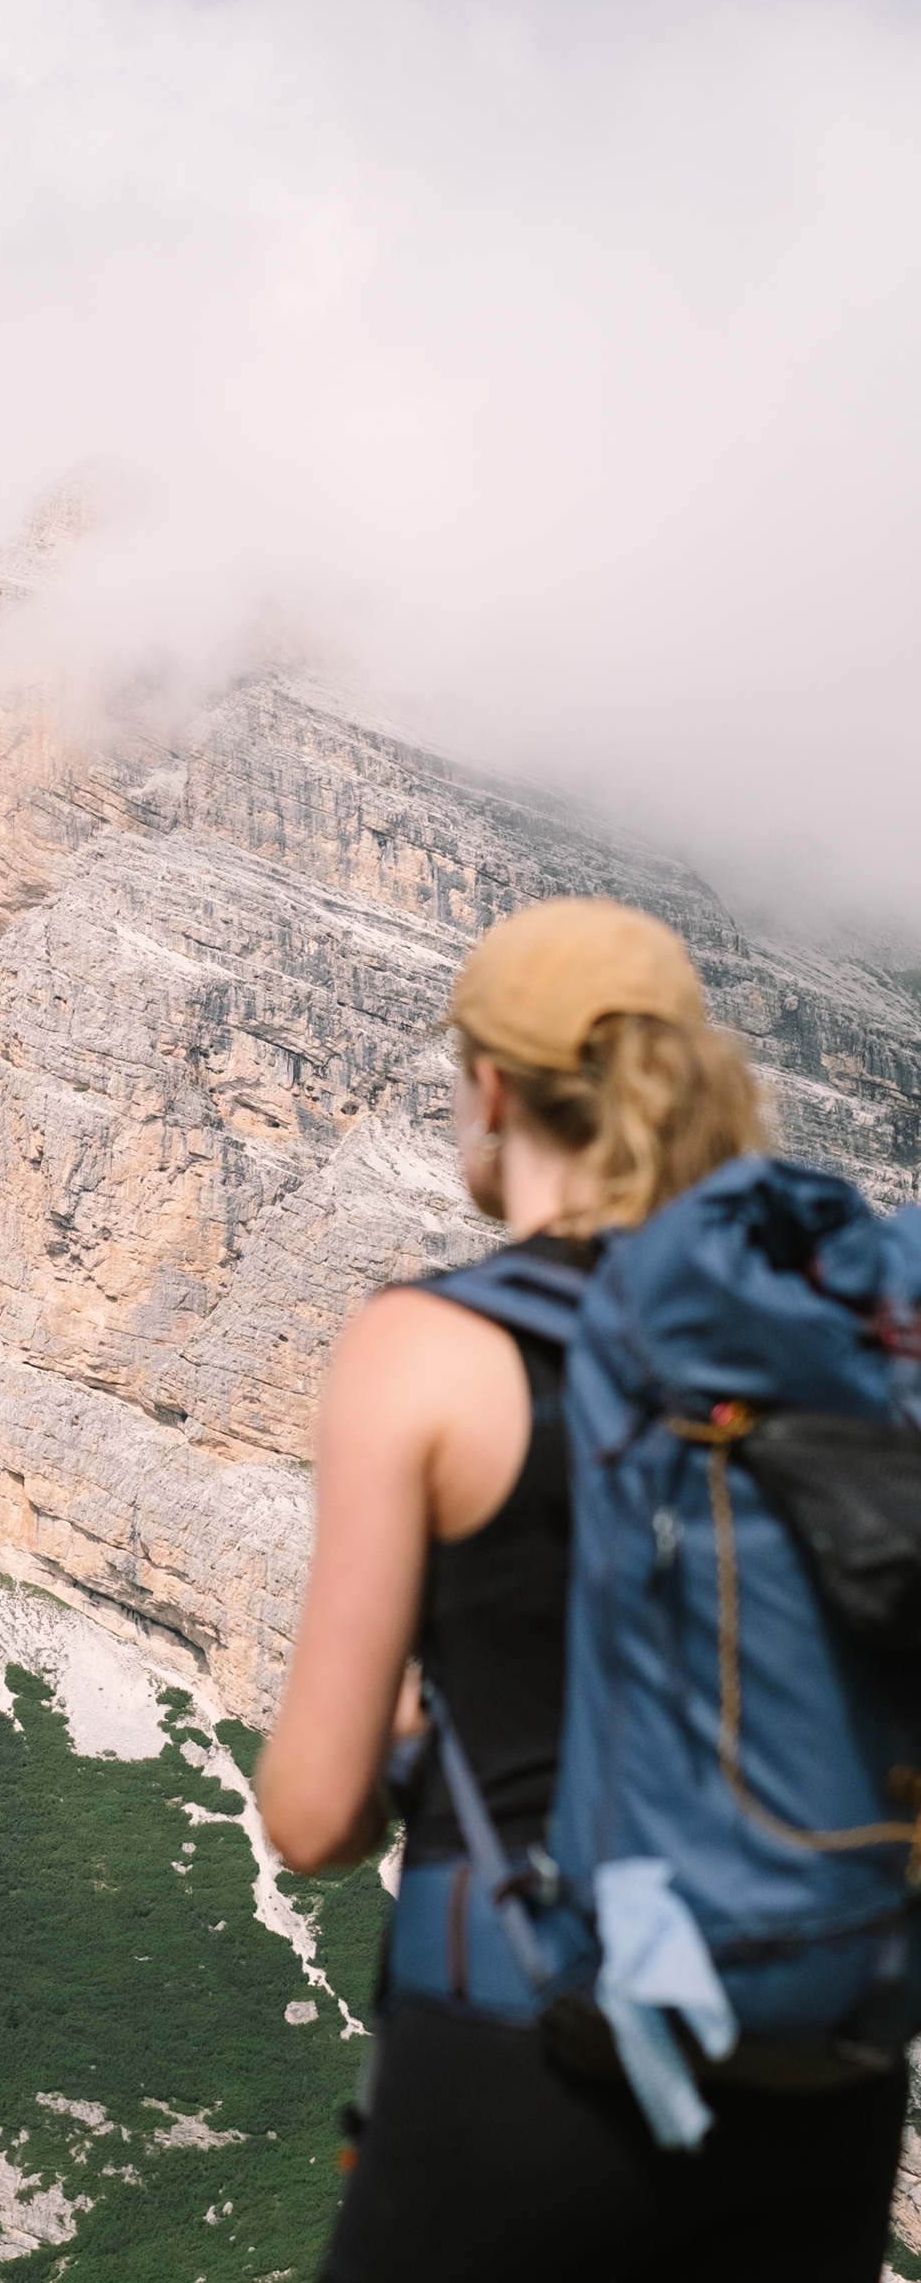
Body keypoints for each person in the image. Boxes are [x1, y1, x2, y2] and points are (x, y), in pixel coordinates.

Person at [254, 897, 909, 2283]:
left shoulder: (430, 1347)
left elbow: (310, 1819)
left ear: (492, 1090)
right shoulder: (819, 1351)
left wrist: (421, 1745)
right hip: (820, 2069)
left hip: (529, 2055)